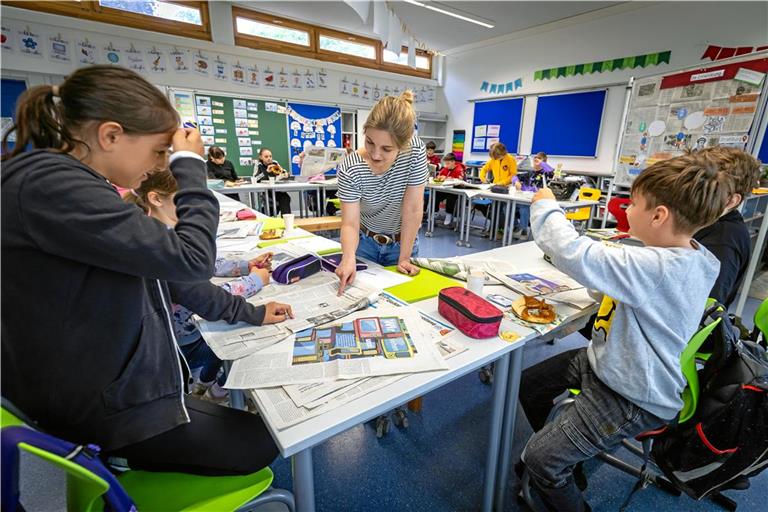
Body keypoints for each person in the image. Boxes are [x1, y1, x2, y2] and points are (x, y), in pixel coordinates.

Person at [1, 65, 283, 476]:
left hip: (101, 386)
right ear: (110, 135)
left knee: (242, 432)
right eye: (158, 152)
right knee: (260, 442)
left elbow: (173, 274)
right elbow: (191, 260)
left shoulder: (62, 182)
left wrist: (251, 311)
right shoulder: (53, 186)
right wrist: (189, 165)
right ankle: (121, 460)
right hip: (103, 408)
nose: (158, 165)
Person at [518, 151, 734, 512]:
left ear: (658, 215)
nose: (625, 210)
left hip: (631, 394)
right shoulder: (694, 256)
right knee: (530, 386)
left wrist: (545, 206)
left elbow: (570, 250)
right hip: (609, 365)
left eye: (632, 204)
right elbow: (641, 293)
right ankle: (569, 459)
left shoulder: (657, 266)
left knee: (540, 460)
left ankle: (557, 471)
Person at [123, 170, 287, 402]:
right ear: (156, 199)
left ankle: (209, 384)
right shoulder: (158, 245)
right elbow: (208, 298)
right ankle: (213, 388)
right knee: (234, 339)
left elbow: (201, 263)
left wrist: (244, 265)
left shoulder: (159, 230)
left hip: (185, 334)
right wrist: (255, 280)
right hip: (184, 343)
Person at [335, 90, 427, 293]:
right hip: (365, 242)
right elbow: (350, 223)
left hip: (402, 242)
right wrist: (348, 258)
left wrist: (404, 257)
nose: (376, 154)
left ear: (403, 146)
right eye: (370, 142)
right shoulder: (352, 166)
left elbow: (412, 209)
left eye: (387, 149)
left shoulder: (415, 152)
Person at [693, 147, 761, 307]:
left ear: (731, 201)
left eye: (703, 188)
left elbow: (707, 305)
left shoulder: (722, 241)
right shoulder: (713, 224)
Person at [512, 151, 554, 240]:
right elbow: (514, 176)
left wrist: (541, 163)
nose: (536, 161)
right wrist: (516, 181)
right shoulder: (530, 173)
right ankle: (517, 226)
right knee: (506, 206)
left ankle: (524, 230)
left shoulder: (545, 174)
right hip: (523, 198)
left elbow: (551, 172)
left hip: (536, 201)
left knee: (524, 208)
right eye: (535, 159)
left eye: (539, 160)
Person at [254, 147, 291, 216]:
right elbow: (255, 178)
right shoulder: (258, 164)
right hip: (266, 191)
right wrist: (266, 172)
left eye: (270, 156)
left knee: (285, 198)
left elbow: (283, 172)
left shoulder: (275, 163)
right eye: (266, 157)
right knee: (273, 203)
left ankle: (286, 220)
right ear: (261, 157)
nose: (269, 158)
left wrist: (285, 174)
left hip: (277, 189)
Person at [433, 152, 466, 226]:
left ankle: (449, 214)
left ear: (453, 162)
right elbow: (438, 176)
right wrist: (439, 177)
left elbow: (460, 181)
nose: (446, 165)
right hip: (445, 189)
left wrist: (447, 179)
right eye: (445, 163)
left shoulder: (459, 169)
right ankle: (435, 213)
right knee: (436, 194)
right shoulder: (445, 169)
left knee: (451, 197)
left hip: (455, 191)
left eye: (448, 163)